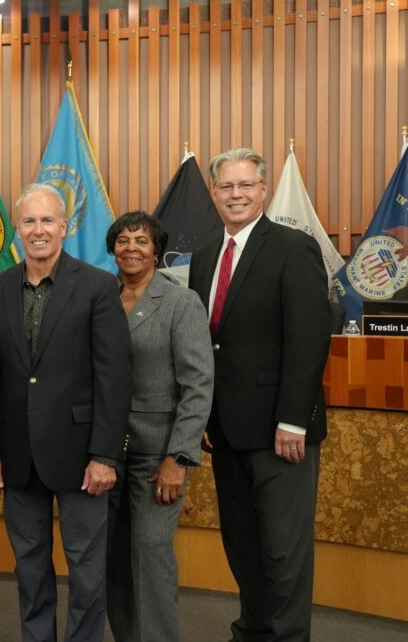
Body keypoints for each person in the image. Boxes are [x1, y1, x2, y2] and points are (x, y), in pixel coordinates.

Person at [0, 182, 132, 642]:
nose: (38, 230)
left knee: (86, 569)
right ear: (17, 229)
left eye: (47, 221)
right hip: (18, 456)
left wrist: (106, 455)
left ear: (64, 226)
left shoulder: (99, 286)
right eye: (29, 221)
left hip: (84, 457)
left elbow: (115, 379)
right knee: (29, 567)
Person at [189, 148, 331, 642]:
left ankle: (286, 636)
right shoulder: (206, 255)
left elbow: (309, 338)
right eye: (226, 187)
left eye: (246, 185)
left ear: (263, 190)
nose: (236, 194)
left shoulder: (293, 247)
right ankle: (252, 631)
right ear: (214, 193)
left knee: (282, 550)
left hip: (280, 430)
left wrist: (292, 419)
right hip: (225, 431)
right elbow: (208, 343)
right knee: (243, 545)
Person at [103, 211, 213, 642]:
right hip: (105, 451)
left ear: (156, 250)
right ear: (112, 248)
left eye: (141, 241)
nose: (131, 248)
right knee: (113, 556)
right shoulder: (100, 297)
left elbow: (199, 385)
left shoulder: (180, 302)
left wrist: (179, 456)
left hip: (158, 454)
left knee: (150, 556)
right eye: (123, 240)